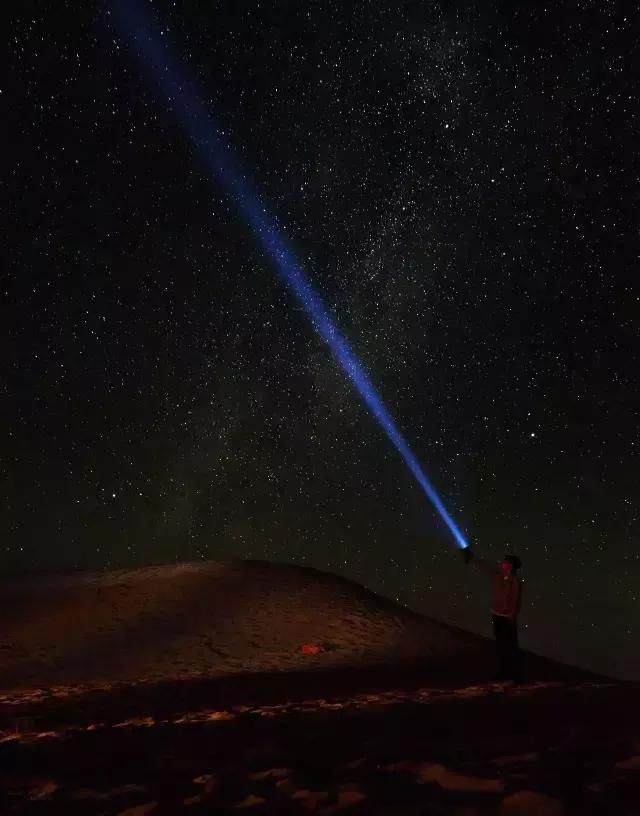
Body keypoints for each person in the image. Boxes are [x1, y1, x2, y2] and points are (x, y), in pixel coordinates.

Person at [461, 547, 522, 682]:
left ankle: (514, 674)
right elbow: (484, 566)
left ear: (511, 566)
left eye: (506, 562)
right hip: (497, 616)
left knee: (510, 646)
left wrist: (512, 616)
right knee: (500, 645)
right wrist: (471, 557)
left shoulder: (514, 582)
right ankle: (503, 672)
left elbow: (516, 600)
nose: (503, 563)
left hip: (507, 618)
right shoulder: (497, 576)